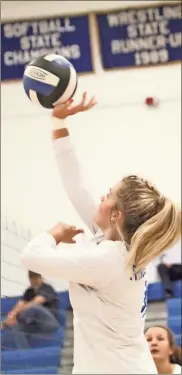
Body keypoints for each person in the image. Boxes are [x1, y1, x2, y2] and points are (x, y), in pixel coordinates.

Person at [21, 93, 181, 374]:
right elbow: (76, 182)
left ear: (116, 215)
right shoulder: (121, 246)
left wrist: (53, 235)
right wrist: (59, 120)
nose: (101, 197)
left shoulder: (105, 260)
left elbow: (30, 257)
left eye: (108, 195)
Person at [1, 271, 59, 349]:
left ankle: (14, 321)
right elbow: (20, 304)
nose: (33, 281)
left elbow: (36, 301)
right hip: (35, 325)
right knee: (17, 328)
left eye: (35, 279)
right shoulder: (29, 291)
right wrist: (11, 316)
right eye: (31, 279)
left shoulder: (47, 288)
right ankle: (24, 352)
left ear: (40, 278)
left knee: (34, 307)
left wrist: (15, 317)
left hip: (49, 323)